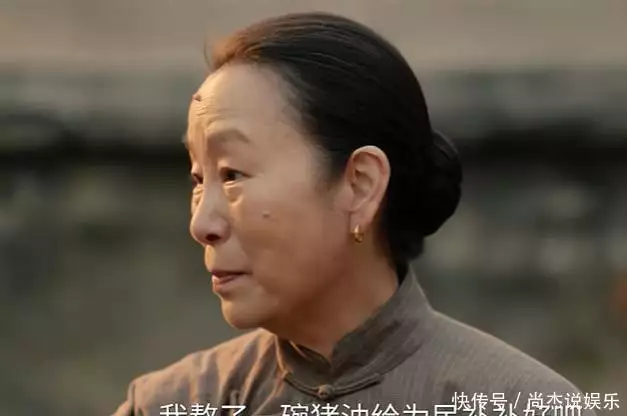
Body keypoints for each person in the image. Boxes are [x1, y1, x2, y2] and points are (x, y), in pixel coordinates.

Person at [113, 12, 595, 416]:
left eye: (233, 173)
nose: (201, 224)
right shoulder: (172, 403)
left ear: (360, 185)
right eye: (199, 179)